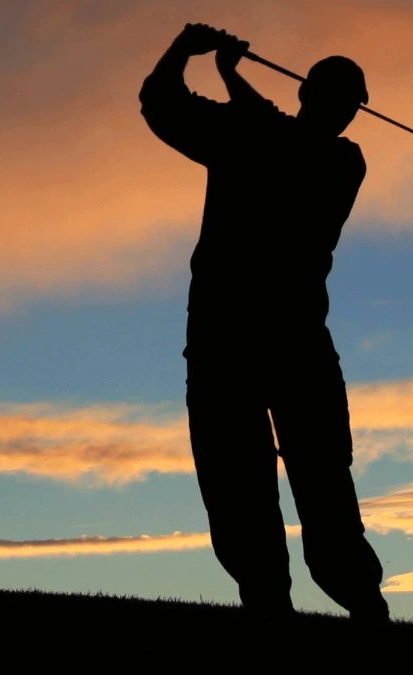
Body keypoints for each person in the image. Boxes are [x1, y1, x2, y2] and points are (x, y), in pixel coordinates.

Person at [139, 23, 389, 622]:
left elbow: (165, 102)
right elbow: (180, 110)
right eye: (347, 102)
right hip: (278, 344)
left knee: (288, 481)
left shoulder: (331, 159)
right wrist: (229, 76)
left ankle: (326, 604)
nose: (348, 117)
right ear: (325, 101)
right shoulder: (307, 147)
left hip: (246, 343)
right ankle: (295, 606)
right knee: (259, 481)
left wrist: (196, 56)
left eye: (351, 105)